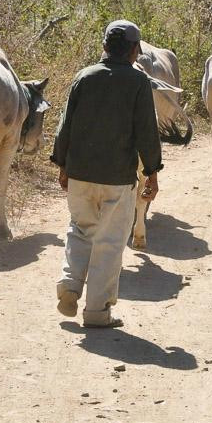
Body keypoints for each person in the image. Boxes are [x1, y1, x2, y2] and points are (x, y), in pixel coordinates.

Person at [50, 20, 163, 328]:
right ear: (134, 50)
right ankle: (97, 312)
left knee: (80, 229)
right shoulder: (138, 82)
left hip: (80, 175)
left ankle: (70, 285)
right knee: (111, 242)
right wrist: (152, 172)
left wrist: (62, 165)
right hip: (117, 179)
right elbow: (146, 133)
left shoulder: (83, 77)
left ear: (104, 46)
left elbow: (65, 127)